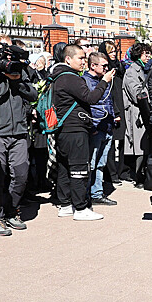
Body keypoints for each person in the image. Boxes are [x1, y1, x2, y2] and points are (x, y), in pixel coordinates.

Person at [0, 37, 38, 235]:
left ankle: (12, 211)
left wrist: (17, 80)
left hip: (19, 131)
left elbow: (33, 94)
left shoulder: (19, 70)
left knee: (21, 175)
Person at [52, 44, 115, 220]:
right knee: (79, 168)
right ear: (68, 59)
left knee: (64, 167)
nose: (83, 62)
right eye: (80, 58)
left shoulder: (59, 77)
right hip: (75, 129)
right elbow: (91, 98)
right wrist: (105, 82)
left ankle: (65, 205)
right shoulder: (70, 78)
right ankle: (80, 208)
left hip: (64, 129)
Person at [84, 51, 119, 206]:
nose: (106, 68)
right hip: (95, 125)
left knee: (101, 162)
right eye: (103, 66)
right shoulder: (86, 80)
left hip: (106, 125)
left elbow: (108, 102)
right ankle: (85, 194)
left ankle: (97, 193)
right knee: (91, 162)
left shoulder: (105, 80)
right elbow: (91, 101)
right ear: (93, 65)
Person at [98, 41, 128, 184]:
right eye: (110, 52)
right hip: (111, 108)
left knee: (122, 140)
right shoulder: (104, 71)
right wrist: (115, 111)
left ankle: (122, 170)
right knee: (109, 143)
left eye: (115, 51)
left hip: (121, 105)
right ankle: (111, 173)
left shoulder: (119, 67)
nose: (114, 54)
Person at [122, 43, 151, 184]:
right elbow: (136, 94)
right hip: (137, 113)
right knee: (140, 147)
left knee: (146, 145)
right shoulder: (132, 71)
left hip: (145, 112)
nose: (148, 57)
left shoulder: (143, 69)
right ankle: (138, 176)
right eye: (146, 54)